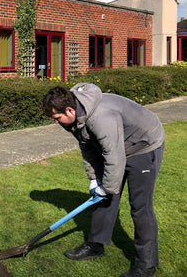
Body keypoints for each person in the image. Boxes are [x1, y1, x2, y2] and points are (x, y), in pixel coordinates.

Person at [42, 83, 164, 277]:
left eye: (57, 118)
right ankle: (95, 245)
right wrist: (94, 179)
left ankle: (146, 265)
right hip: (117, 144)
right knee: (101, 197)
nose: (55, 122)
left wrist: (107, 186)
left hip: (143, 144)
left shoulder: (101, 117)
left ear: (69, 110)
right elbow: (87, 146)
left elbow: (113, 155)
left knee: (140, 207)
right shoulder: (75, 116)